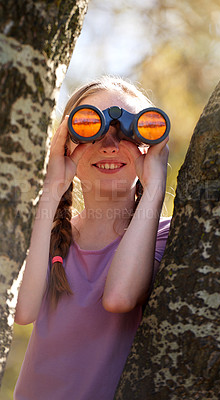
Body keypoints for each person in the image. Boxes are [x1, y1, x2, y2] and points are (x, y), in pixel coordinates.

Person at [14, 76, 171, 400]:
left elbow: (120, 297)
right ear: (67, 142)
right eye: (91, 127)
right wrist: (52, 187)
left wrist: (155, 186)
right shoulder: (52, 232)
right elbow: (23, 311)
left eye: (128, 132)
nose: (110, 145)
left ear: (150, 143)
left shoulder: (167, 234)